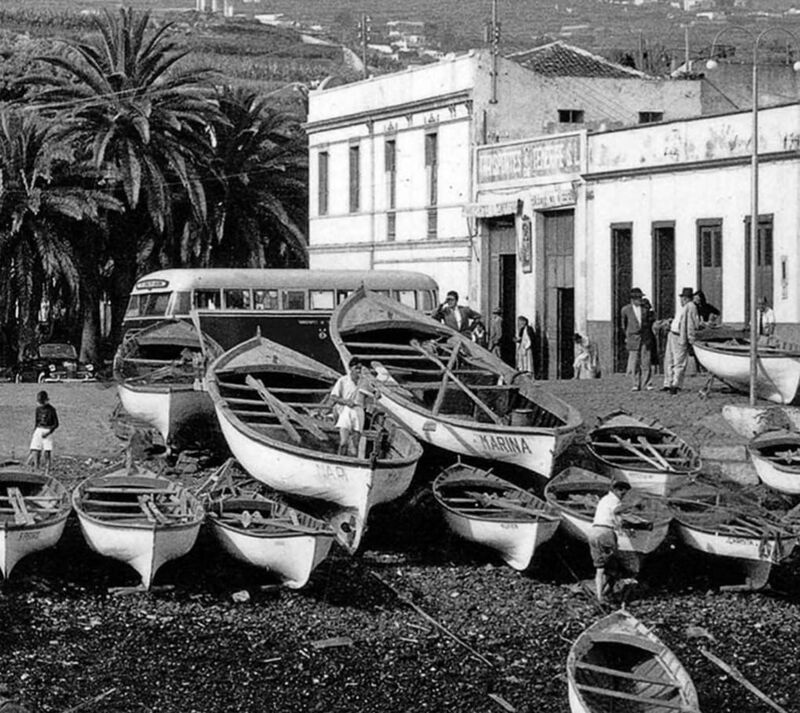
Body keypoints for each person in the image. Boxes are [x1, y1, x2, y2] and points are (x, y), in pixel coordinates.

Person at [590, 479, 637, 604]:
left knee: (600, 567)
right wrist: (633, 505)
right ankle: (604, 595)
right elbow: (617, 511)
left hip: (593, 532)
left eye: (625, 491)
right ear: (615, 490)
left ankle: (599, 596)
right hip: (605, 533)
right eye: (621, 491)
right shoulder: (614, 500)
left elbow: (615, 516)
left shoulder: (604, 500)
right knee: (612, 569)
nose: (623, 493)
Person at [661, 287, 700, 395]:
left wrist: (690, 338)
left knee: (679, 361)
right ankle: (668, 383)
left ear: (686, 298)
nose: (681, 300)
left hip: (680, 336)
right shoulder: (683, 307)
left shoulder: (691, 307)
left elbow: (691, 324)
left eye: (683, 298)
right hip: (672, 334)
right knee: (669, 360)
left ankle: (675, 384)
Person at [329, 357, 368, 456]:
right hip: (346, 410)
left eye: (360, 368)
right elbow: (333, 397)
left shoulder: (365, 381)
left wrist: (377, 394)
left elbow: (374, 393)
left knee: (355, 445)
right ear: (350, 368)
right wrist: (345, 401)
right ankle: (339, 460)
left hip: (359, 411)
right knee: (343, 442)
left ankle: (352, 462)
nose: (358, 371)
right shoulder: (343, 380)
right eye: (356, 368)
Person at [620, 287, 651, 391]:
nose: (639, 300)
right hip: (633, 337)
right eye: (637, 298)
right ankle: (635, 383)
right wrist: (628, 335)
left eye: (640, 298)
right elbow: (624, 324)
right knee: (634, 362)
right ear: (632, 299)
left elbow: (648, 322)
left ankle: (647, 383)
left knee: (646, 361)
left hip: (644, 337)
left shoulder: (645, 309)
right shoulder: (626, 310)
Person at [26, 390, 59, 476]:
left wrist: (48, 432)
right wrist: (35, 431)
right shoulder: (38, 409)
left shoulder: (51, 410)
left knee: (47, 452)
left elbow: (56, 424)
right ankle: (36, 468)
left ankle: (47, 471)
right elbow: (36, 421)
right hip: (39, 429)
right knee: (35, 450)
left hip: (47, 430)